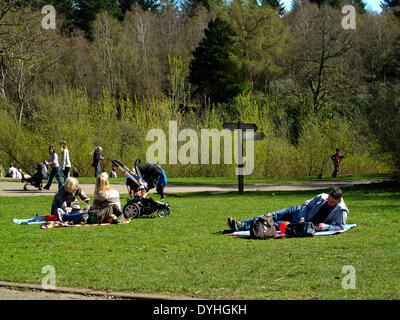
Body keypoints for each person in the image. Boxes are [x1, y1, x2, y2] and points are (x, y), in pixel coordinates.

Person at [228, 187, 348, 232]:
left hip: (300, 225)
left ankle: (245, 227)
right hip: (296, 212)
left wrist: (327, 227)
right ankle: (242, 224)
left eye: (332, 202)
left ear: (339, 200)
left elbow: (341, 226)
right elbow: (306, 204)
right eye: (328, 199)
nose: (329, 202)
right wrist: (302, 216)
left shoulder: (341, 211)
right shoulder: (322, 197)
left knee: (273, 224)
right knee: (272, 215)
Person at [57, 175, 124, 224]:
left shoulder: (102, 194)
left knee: (85, 212)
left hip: (104, 215)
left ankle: (65, 217)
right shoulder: (115, 191)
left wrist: (86, 206)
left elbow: (93, 207)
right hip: (113, 214)